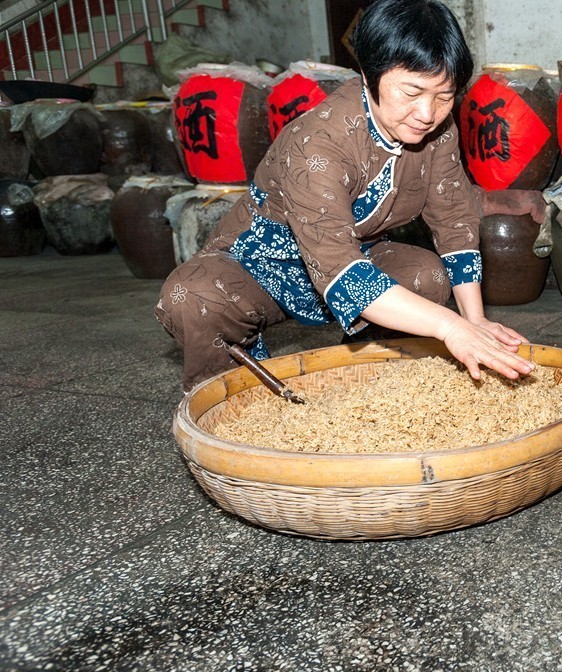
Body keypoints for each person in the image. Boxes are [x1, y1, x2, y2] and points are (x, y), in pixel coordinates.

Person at [155, 0, 534, 391]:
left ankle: (363, 379)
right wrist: (449, 326)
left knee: (425, 275)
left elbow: (454, 217)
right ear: (370, 75)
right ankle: (236, 398)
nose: (427, 112)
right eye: (412, 91)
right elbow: (340, 271)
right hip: (259, 268)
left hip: (354, 253)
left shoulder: (437, 128)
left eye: (444, 95)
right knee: (191, 297)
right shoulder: (315, 144)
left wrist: (474, 321)